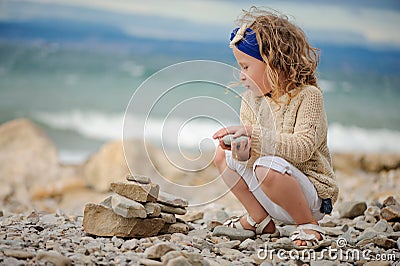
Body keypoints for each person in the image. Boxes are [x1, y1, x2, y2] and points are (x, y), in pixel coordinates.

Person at [213, 7, 339, 248]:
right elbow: (252, 160)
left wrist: (253, 135)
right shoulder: (252, 100)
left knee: (266, 166)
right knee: (223, 154)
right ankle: (259, 220)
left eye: (246, 67)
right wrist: (241, 150)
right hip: (270, 190)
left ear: (273, 63)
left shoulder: (308, 97)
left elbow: (302, 149)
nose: (241, 76)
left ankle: (308, 225)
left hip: (310, 196)